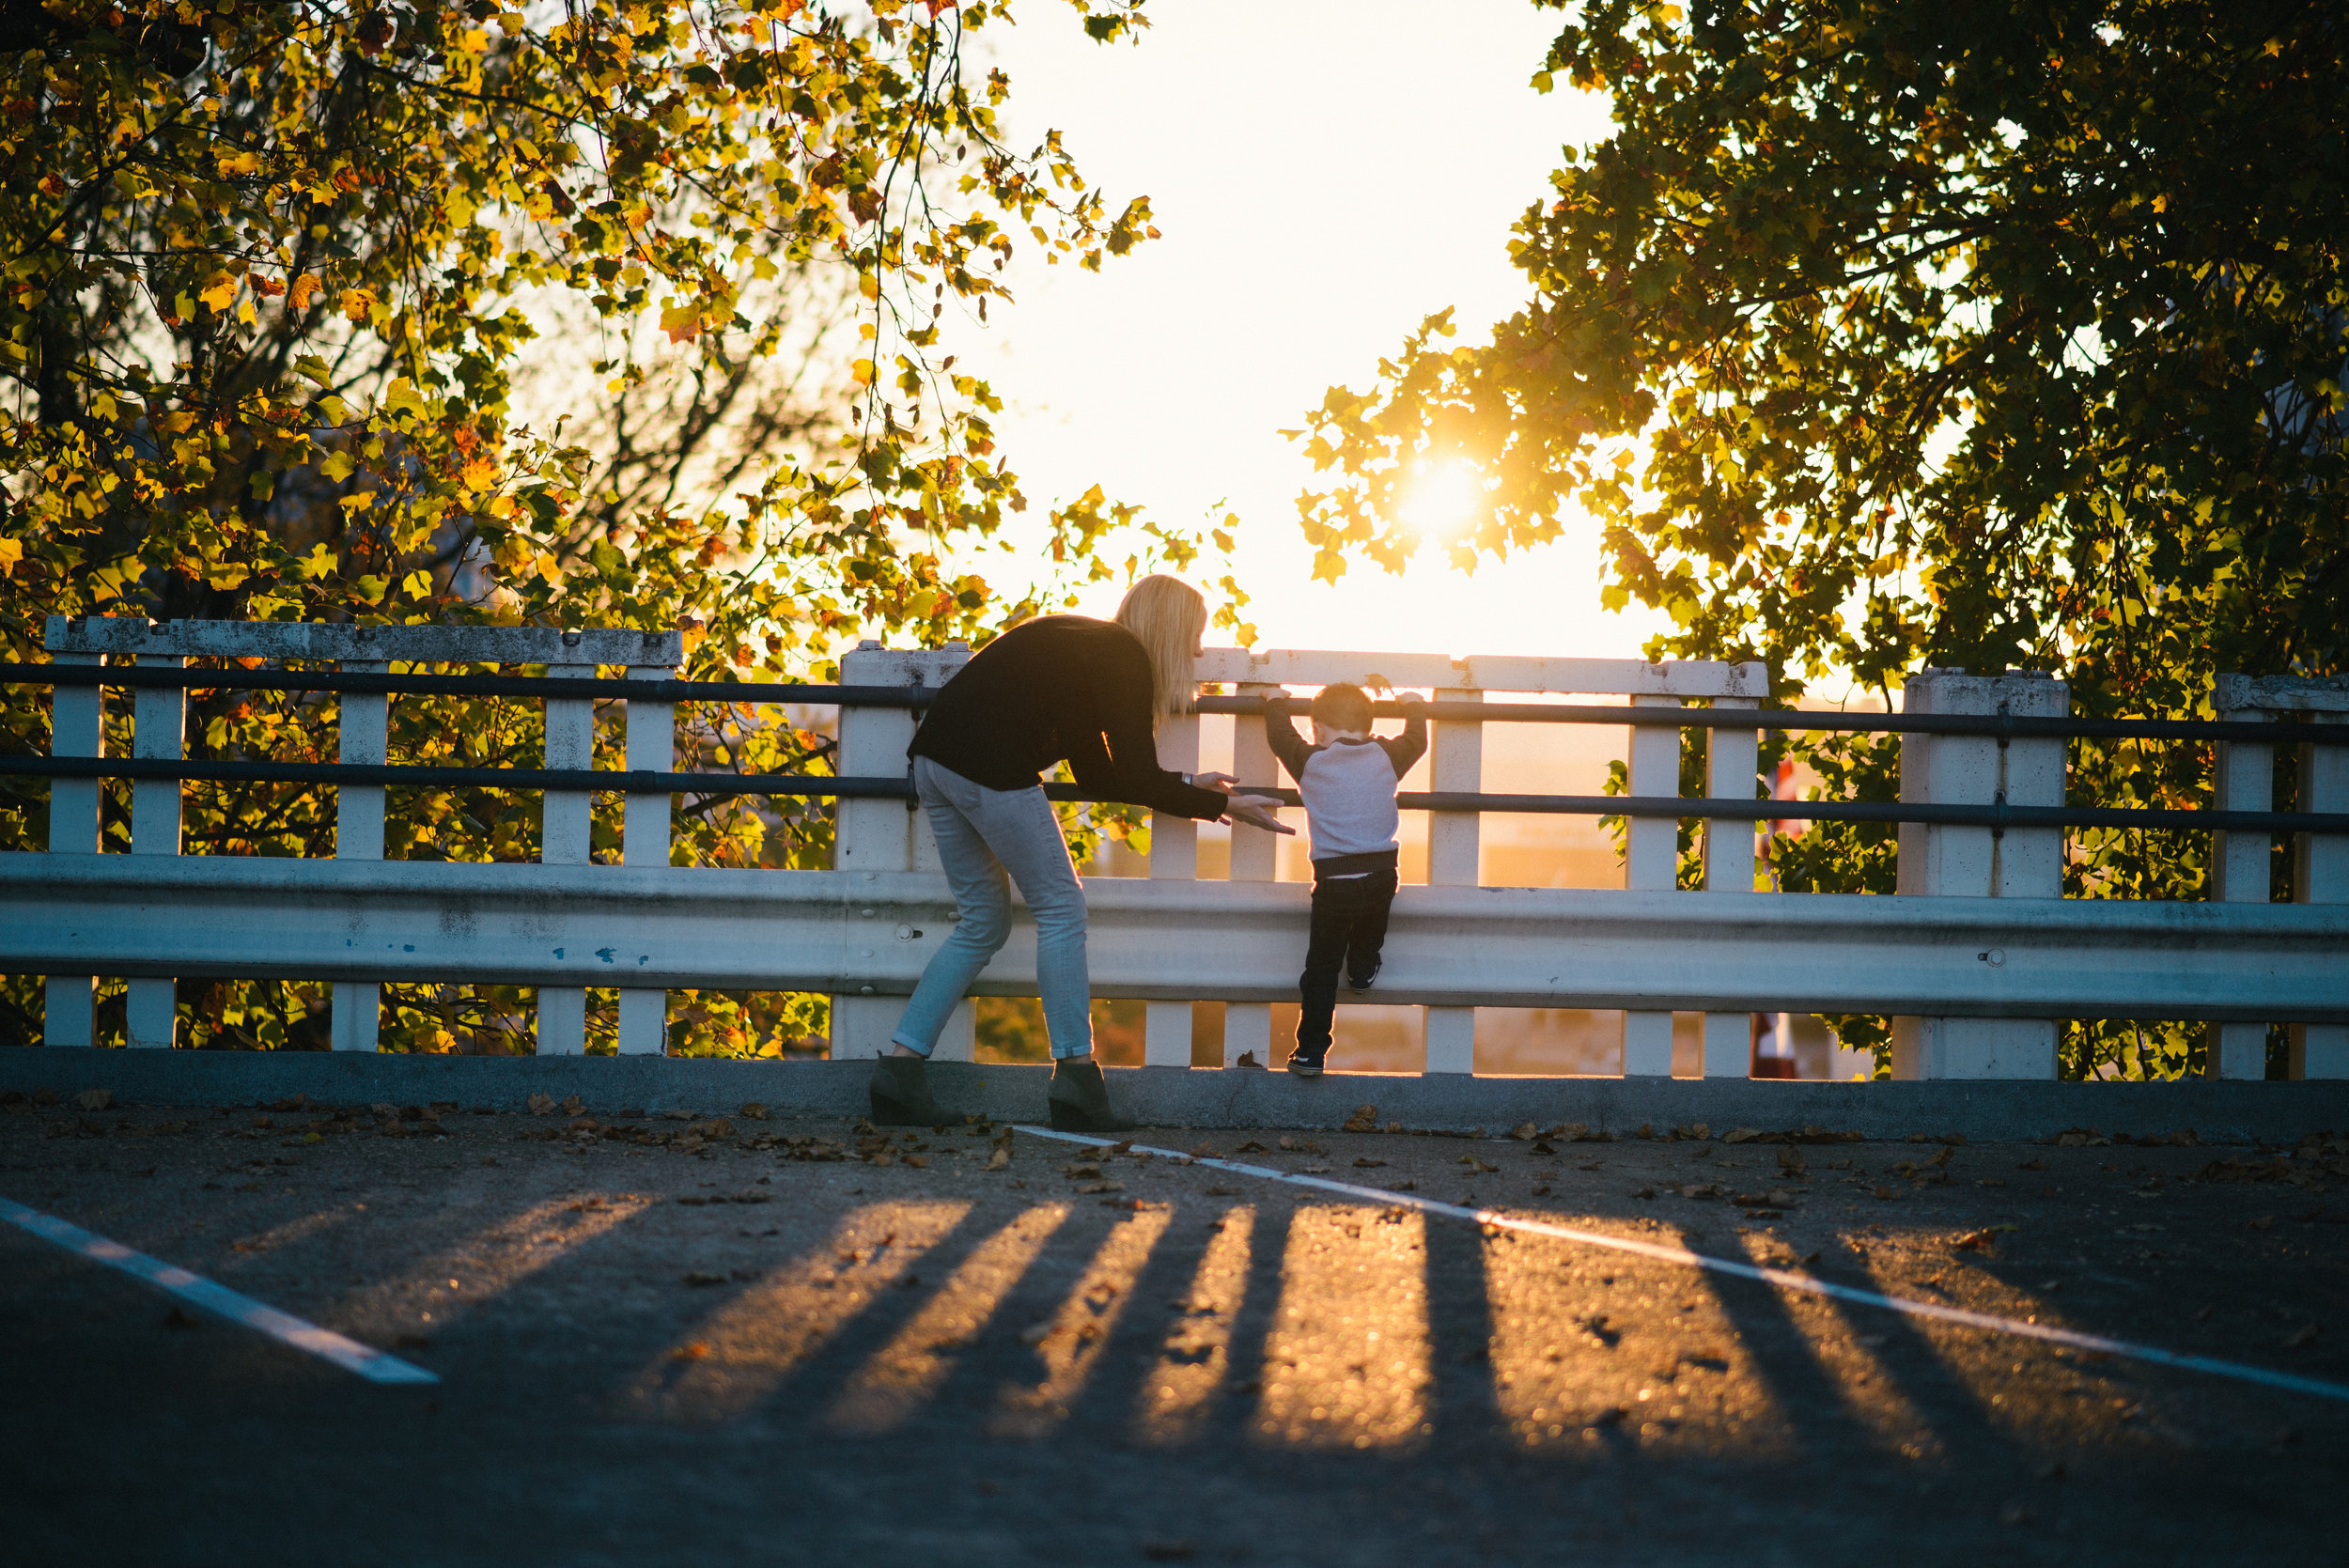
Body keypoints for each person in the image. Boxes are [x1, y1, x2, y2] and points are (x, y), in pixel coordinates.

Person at [870, 575, 1292, 1130]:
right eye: (1195, 634)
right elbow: (1132, 775)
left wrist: (1191, 782)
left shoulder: (1082, 645)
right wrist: (1227, 807)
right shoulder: (1124, 658)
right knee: (1062, 909)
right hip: (988, 771)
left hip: (933, 765)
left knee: (982, 923)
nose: (1196, 651)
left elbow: (1099, 776)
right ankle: (1075, 1079)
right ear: (1171, 628)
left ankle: (899, 1077)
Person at [1265, 682, 1425, 1077]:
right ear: (1369, 726)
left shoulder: (1311, 761)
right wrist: (1413, 704)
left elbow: (1280, 736)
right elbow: (1417, 740)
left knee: (1320, 970)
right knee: (1371, 931)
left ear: (1317, 729)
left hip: (1335, 882)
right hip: (1382, 875)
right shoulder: (1387, 755)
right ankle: (1362, 969)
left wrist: (1274, 700)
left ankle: (1311, 1053)